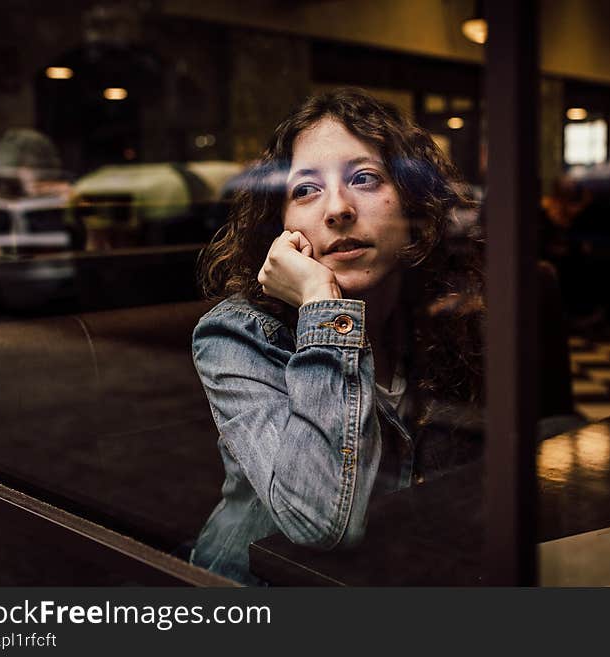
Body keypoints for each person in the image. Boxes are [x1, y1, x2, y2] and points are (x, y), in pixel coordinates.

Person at [190, 88, 484, 584]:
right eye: (305, 190)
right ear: (280, 226)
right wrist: (323, 306)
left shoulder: (440, 318)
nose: (338, 209)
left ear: (414, 214)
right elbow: (321, 522)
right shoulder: (234, 334)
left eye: (364, 179)